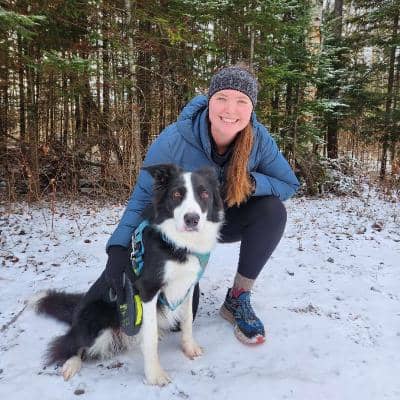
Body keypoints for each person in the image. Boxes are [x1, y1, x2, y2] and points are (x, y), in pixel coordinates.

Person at [105, 65, 299, 345]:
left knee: (272, 211)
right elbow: (142, 197)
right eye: (222, 98)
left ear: (252, 108)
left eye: (241, 101)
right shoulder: (176, 139)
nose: (230, 109)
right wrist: (118, 248)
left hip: (225, 219)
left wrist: (250, 182)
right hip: (182, 224)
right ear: (209, 101)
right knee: (179, 321)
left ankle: (237, 298)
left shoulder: (259, 140)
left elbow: (288, 184)